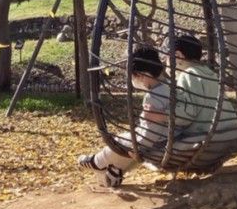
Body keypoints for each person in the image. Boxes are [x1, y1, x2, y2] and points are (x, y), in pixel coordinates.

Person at [78, 45, 191, 188]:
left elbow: (149, 137)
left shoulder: (153, 98)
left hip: (159, 146)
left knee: (121, 142)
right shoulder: (171, 87)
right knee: (129, 140)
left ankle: (97, 162)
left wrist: (138, 148)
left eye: (134, 76)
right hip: (175, 137)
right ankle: (114, 172)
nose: (133, 80)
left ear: (143, 75)